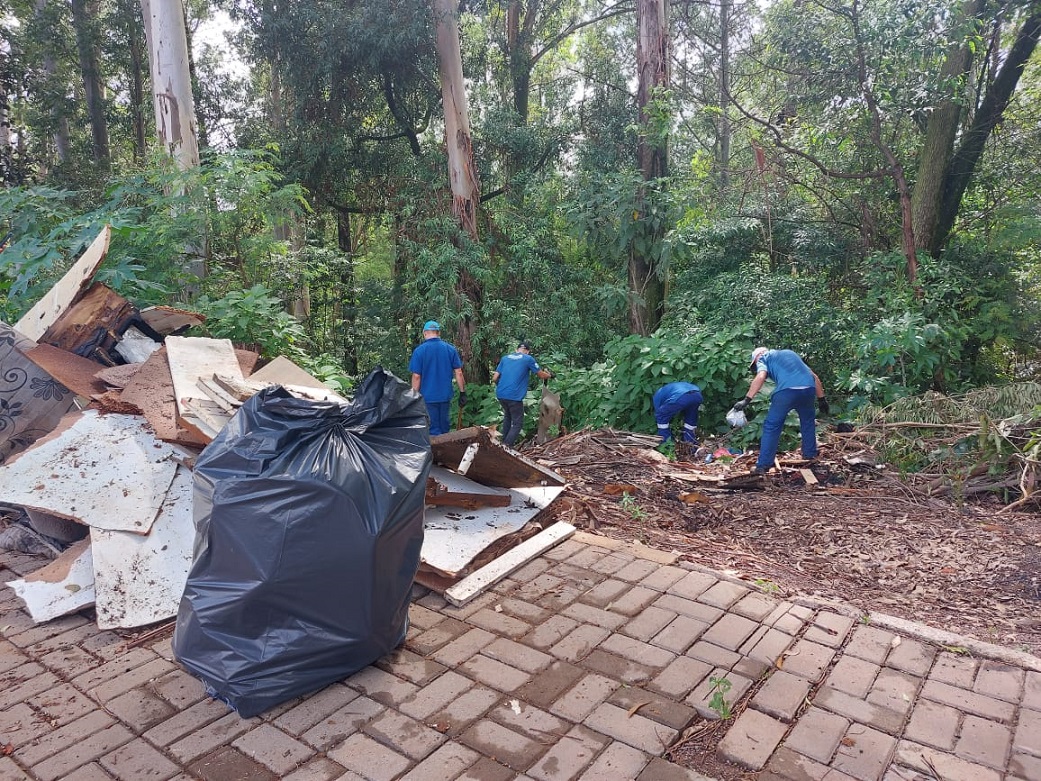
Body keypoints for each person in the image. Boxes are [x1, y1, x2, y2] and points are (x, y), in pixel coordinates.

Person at [732, 347, 829, 474]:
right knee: (808, 422)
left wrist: (747, 399)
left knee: (772, 426)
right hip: (808, 389)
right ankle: (810, 456)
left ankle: (763, 465)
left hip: (786, 392)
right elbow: (813, 376)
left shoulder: (763, 358)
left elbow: (761, 376)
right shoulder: (791, 354)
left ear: (756, 358)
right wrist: (822, 399)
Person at [409, 320, 466, 436]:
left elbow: (416, 376)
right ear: (438, 333)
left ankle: (435, 452)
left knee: (432, 428)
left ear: (425, 333)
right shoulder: (450, 349)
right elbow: (459, 373)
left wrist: (413, 395)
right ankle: (446, 450)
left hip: (427, 396)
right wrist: (462, 392)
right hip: (445, 395)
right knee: (444, 427)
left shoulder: (419, 351)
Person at [492, 340, 552, 447]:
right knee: (517, 423)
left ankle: (502, 442)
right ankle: (506, 446)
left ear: (516, 350)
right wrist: (549, 375)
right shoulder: (528, 359)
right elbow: (541, 375)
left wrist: (502, 387)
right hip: (514, 396)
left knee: (508, 417)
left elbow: (494, 378)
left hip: (501, 394)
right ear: (528, 351)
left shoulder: (505, 358)